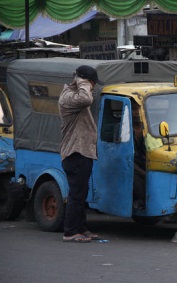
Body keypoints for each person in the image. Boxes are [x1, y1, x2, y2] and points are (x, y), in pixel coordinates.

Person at [59, 65, 104, 243]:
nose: (92, 87)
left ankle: (81, 228)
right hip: (75, 153)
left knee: (81, 193)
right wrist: (82, 81)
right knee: (76, 194)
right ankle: (70, 232)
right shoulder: (69, 97)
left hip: (83, 152)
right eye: (91, 83)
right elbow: (86, 99)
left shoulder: (75, 95)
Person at [132, 102, 146, 210]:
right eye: (133, 110)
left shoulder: (147, 129)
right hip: (129, 163)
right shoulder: (121, 128)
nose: (136, 113)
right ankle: (138, 202)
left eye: (138, 110)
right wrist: (142, 172)